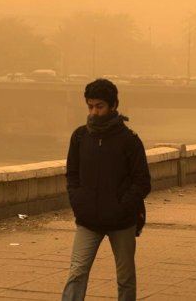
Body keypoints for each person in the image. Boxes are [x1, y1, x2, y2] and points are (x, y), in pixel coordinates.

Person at [61, 78, 151, 301]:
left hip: (122, 222)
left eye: (99, 106)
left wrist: (121, 207)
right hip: (88, 220)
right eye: (90, 106)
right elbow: (72, 175)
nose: (94, 112)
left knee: (125, 278)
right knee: (77, 273)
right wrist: (79, 201)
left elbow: (142, 182)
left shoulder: (130, 141)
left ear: (113, 106)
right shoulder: (80, 137)